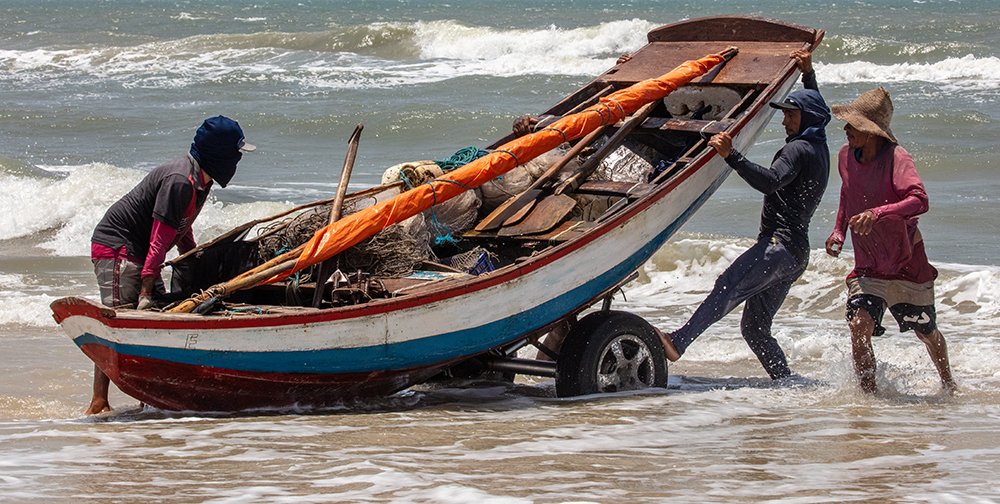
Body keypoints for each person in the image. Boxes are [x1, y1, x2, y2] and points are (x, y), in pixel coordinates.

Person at [656, 49, 830, 380]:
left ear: (805, 118)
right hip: (796, 254)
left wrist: (731, 155)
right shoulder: (817, 143)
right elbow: (816, 104)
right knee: (754, 329)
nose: (784, 120)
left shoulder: (796, 149)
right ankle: (786, 383)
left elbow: (771, 182)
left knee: (728, 284)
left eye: (790, 115)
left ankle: (679, 341)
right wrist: (808, 74)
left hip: (777, 248)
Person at [85, 115, 254, 414]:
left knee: (154, 323)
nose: (237, 159)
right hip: (117, 247)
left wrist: (194, 261)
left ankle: (148, 400)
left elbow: (181, 229)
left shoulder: (202, 180)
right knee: (120, 323)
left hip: (143, 251)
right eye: (235, 152)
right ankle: (99, 401)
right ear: (219, 153)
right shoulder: (181, 181)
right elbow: (159, 240)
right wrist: (146, 289)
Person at [824, 88, 956, 394]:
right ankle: (869, 400)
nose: (845, 129)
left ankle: (949, 385)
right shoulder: (847, 155)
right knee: (859, 327)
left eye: (853, 125)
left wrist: (878, 213)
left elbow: (919, 201)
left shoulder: (897, 158)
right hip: (869, 263)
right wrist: (839, 230)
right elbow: (848, 192)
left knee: (926, 332)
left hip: (906, 261)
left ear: (871, 132)